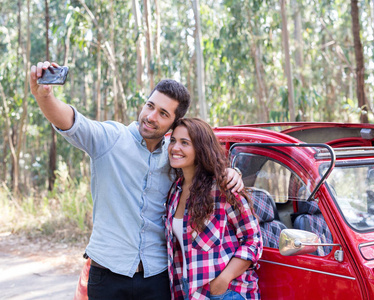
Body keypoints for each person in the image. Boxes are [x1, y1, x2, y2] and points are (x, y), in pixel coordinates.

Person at [29, 61, 244, 300]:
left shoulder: (174, 157)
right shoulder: (109, 139)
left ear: (173, 123)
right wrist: (45, 97)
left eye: (163, 114)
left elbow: (205, 169)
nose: (151, 117)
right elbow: (69, 121)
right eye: (150, 106)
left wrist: (231, 172)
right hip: (107, 275)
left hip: (157, 277)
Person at [166, 118, 263, 300]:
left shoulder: (222, 187)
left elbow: (253, 240)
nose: (175, 148)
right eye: (173, 141)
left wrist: (222, 280)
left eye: (184, 143)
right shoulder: (175, 191)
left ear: (201, 149)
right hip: (190, 291)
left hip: (226, 293)